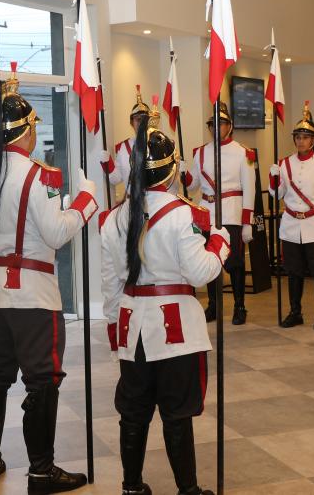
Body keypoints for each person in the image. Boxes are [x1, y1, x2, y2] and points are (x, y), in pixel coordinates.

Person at [0, 63, 97, 493]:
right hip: (35, 297)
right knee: (41, 380)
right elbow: (56, 233)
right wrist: (86, 205)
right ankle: (40, 470)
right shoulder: (38, 176)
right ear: (24, 132)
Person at [101, 104, 225, 495]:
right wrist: (220, 244)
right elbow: (200, 272)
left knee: (133, 413)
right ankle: (187, 490)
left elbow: (111, 280)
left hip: (132, 323)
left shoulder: (116, 216)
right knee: (176, 413)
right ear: (172, 170)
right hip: (174, 328)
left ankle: (131, 485)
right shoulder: (183, 215)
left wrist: (111, 325)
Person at [268, 102, 314, 330]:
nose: (301, 141)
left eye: (306, 137)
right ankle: (295, 311)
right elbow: (278, 194)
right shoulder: (285, 164)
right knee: (293, 271)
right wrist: (273, 180)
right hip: (291, 224)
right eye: (298, 137)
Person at [184, 103, 256, 325]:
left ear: (230, 126)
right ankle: (214, 306)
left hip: (232, 213)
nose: (216, 128)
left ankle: (239, 306)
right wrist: (182, 172)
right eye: (212, 125)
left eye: (220, 124)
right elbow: (193, 184)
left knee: (234, 262)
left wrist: (247, 222)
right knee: (209, 261)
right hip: (207, 212)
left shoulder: (244, 153)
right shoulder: (200, 152)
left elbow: (249, 188)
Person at [101, 85, 150, 196]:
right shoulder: (122, 147)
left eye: (144, 119)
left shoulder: (158, 144)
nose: (141, 123)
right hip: (132, 204)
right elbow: (116, 179)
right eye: (137, 119)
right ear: (131, 122)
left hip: (154, 204)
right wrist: (107, 162)